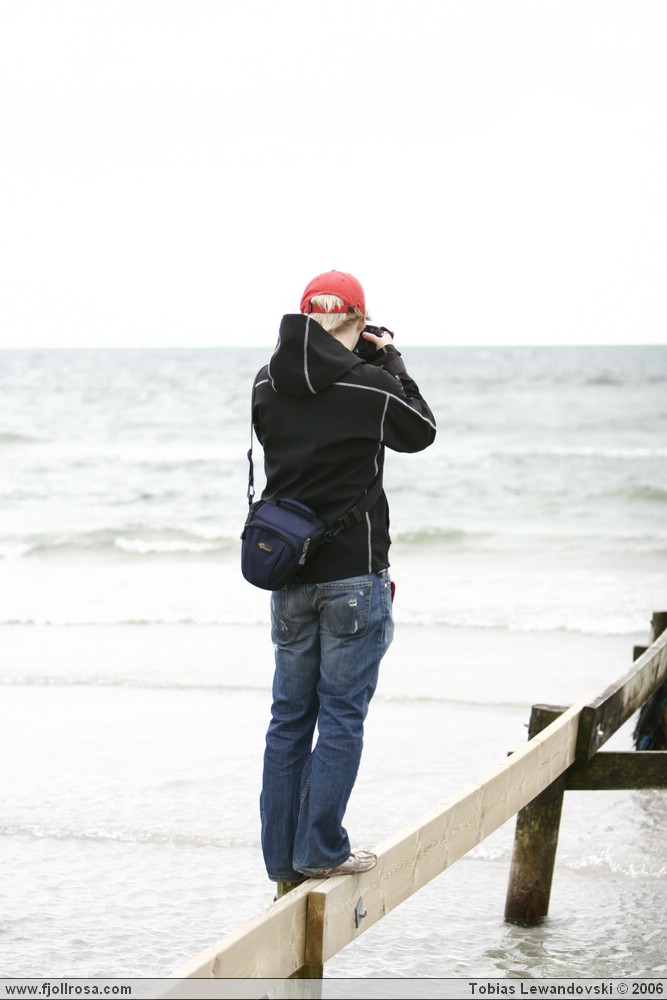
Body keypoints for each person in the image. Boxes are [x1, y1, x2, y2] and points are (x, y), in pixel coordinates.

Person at [251, 270, 436, 885]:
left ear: (306, 317)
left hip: (288, 571)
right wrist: (391, 358)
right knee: (341, 717)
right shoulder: (370, 385)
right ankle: (322, 850)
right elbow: (422, 431)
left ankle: (283, 860)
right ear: (358, 321)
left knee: (288, 719)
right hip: (354, 578)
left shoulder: (265, 381)